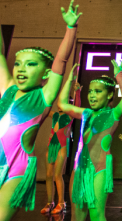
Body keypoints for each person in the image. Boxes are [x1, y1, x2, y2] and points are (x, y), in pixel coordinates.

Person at [0, 0, 79, 220]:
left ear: (46, 74)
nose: (21, 69)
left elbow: (61, 60)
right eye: (18, 63)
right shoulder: (8, 89)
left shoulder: (43, 97)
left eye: (31, 64)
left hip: (17, 172)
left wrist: (71, 28)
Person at [58, 61, 122, 221]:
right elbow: (62, 104)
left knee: (96, 214)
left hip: (100, 169)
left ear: (110, 95)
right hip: (79, 170)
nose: (91, 95)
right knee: (77, 216)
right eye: (90, 91)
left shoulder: (113, 114)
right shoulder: (86, 113)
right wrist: (69, 81)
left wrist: (119, 76)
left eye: (98, 91)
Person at [41, 82, 82, 215]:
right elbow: (43, 107)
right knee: (48, 175)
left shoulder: (69, 116)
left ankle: (61, 202)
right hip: (51, 146)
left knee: (57, 175)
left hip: (62, 147)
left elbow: (77, 107)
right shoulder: (54, 115)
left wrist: (77, 92)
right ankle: (49, 202)